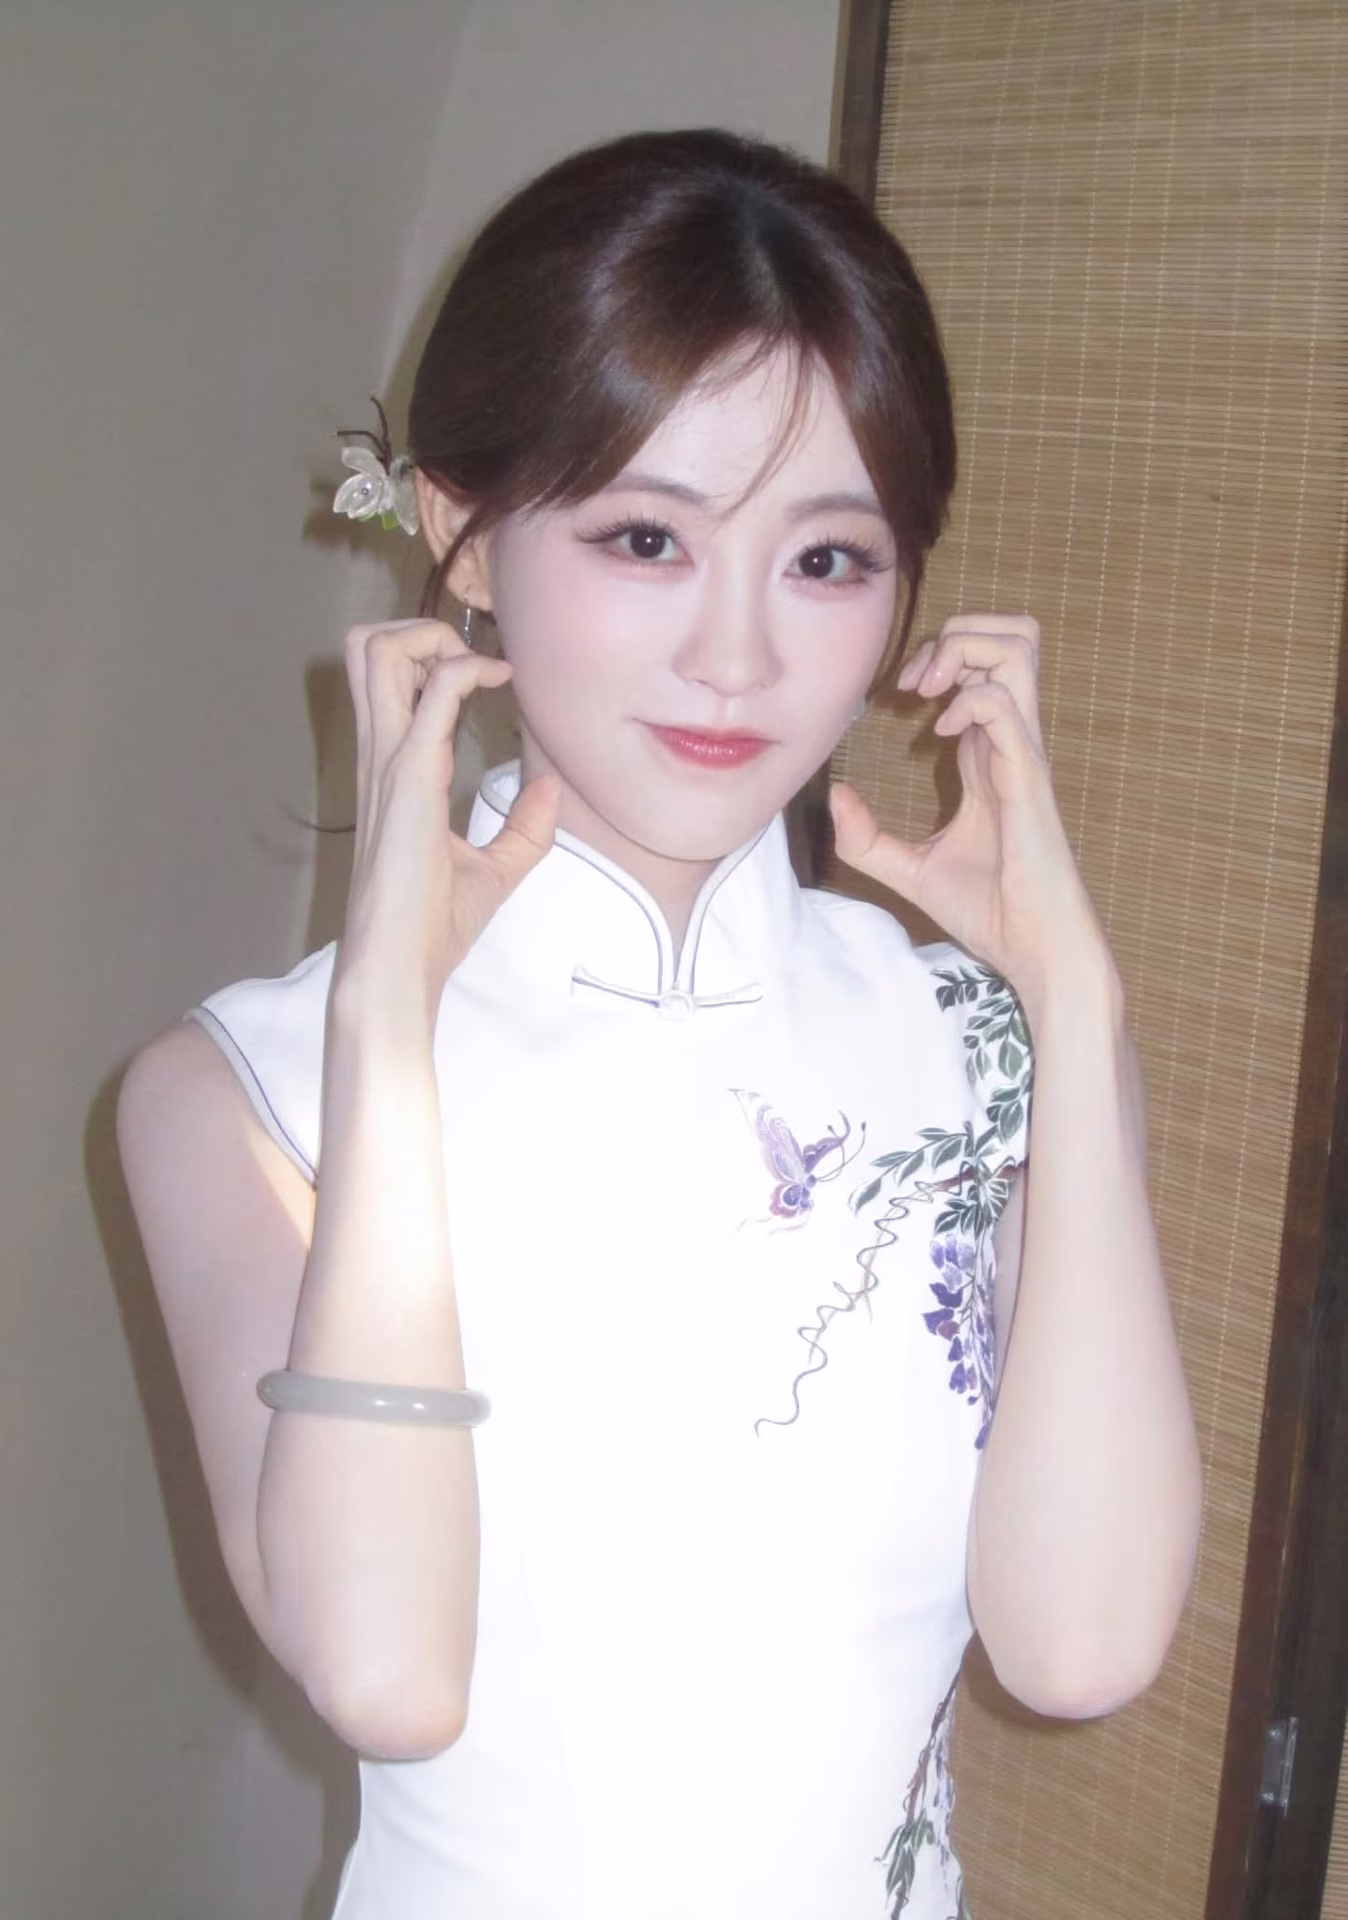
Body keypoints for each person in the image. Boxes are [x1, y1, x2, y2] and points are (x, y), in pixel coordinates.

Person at [116, 128, 1201, 1920]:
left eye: (828, 560)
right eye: (646, 537)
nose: (737, 656)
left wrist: (1078, 1018)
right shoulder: (240, 1097)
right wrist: (388, 1031)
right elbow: (387, 1675)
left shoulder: (989, 1054)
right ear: (462, 535)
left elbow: (1079, 1646)